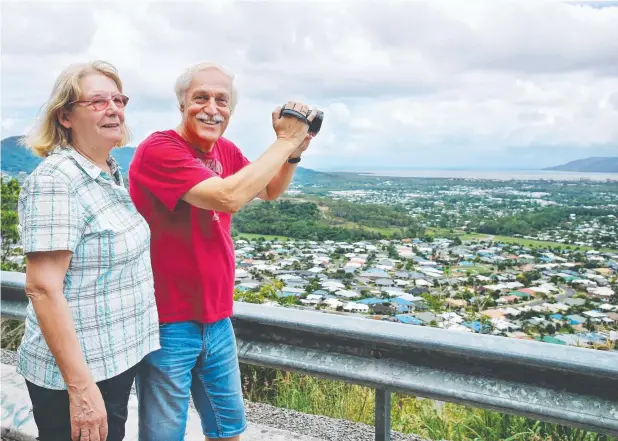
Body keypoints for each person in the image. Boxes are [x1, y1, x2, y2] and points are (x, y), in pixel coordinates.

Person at [128, 62, 318, 441]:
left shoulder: (225, 150)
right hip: (168, 320)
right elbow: (228, 197)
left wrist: (295, 149)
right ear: (182, 104)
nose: (212, 108)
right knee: (165, 434)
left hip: (217, 318)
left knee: (229, 430)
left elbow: (268, 190)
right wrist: (282, 141)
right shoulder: (159, 148)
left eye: (222, 100)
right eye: (201, 98)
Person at [17, 60, 160, 441]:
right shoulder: (56, 181)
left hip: (111, 360)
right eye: (98, 101)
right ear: (65, 115)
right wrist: (81, 390)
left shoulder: (106, 172)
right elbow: (43, 288)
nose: (114, 108)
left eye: (119, 99)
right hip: (76, 375)